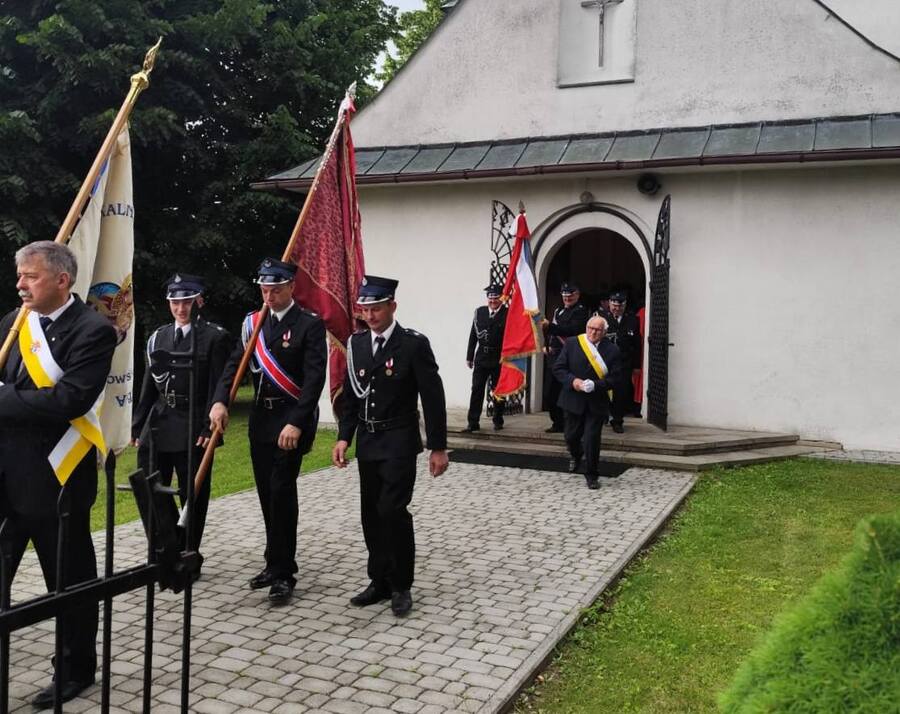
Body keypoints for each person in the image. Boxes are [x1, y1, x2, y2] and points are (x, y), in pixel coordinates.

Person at [0, 241, 116, 708]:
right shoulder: (14, 323)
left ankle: (75, 668)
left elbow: (69, 401)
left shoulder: (93, 330)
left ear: (62, 280)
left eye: (30, 276)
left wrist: (3, 399)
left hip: (57, 478)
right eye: (19, 276)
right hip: (7, 475)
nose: (20, 284)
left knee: (68, 581)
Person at [209, 258, 326, 605]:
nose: (269, 294)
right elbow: (234, 366)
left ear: (290, 287)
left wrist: (297, 421)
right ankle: (273, 562)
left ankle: (284, 572)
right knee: (266, 494)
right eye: (264, 289)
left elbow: (314, 379)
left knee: (281, 494)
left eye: (275, 288)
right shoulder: (253, 323)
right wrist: (220, 401)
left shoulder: (308, 325)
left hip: (290, 422)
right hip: (261, 422)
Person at [332, 275, 448, 617]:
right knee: (370, 513)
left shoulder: (412, 344)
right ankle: (378, 580)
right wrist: (343, 437)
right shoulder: (356, 345)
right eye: (365, 309)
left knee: (392, 511)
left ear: (392, 307)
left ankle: (401, 585)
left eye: (376, 309)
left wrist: (438, 447)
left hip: (399, 440)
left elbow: (433, 396)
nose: (370, 316)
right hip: (368, 441)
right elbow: (352, 398)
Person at [131, 274, 230, 561]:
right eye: (175, 302)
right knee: (152, 487)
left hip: (193, 422)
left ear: (197, 301)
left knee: (193, 494)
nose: (180, 308)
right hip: (160, 421)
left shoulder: (214, 337)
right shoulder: (158, 337)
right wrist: (138, 424)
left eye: (186, 301)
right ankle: (165, 547)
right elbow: (149, 386)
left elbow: (218, 386)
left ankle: (188, 552)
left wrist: (207, 426)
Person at [552, 315, 622, 490]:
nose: (592, 332)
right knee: (571, 437)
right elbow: (559, 368)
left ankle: (592, 474)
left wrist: (597, 385)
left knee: (591, 439)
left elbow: (616, 378)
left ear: (604, 332)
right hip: (572, 399)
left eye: (597, 330)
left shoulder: (612, 350)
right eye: (590, 328)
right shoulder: (572, 343)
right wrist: (573, 381)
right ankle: (576, 455)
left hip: (596, 402)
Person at [543, 282, 589, 433]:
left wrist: (550, 326)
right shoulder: (559, 311)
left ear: (577, 295)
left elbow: (572, 330)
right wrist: (547, 345)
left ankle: (570, 423)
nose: (567, 298)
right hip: (555, 357)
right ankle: (557, 423)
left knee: (568, 392)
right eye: (565, 295)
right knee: (551, 393)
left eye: (570, 295)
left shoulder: (581, 311)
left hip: (570, 358)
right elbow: (552, 334)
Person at [463, 284, 508, 432]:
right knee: (476, 389)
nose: (493, 301)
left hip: (499, 357)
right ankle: (473, 422)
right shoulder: (480, 312)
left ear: (501, 298)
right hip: (481, 356)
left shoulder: (507, 313)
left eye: (496, 298)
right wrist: (469, 356)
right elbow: (473, 335)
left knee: (498, 391)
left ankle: (498, 419)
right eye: (490, 298)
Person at [606, 290, 641, 433]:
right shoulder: (602, 318)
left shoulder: (632, 320)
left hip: (624, 363)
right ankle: (603, 415)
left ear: (625, 306)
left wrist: (637, 365)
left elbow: (637, 344)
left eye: (619, 306)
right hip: (605, 362)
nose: (616, 309)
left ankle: (617, 421)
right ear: (609, 304)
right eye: (614, 306)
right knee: (602, 391)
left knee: (621, 393)